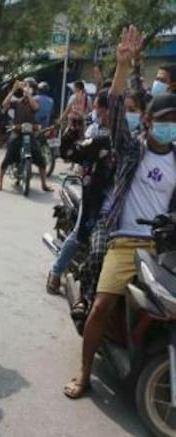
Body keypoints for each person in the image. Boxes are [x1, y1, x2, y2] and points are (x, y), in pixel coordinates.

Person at [65, 26, 176, 399]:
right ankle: (83, 372)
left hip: (163, 248)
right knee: (101, 304)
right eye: (165, 119)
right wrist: (122, 66)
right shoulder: (133, 151)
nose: (170, 126)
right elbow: (114, 110)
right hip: (126, 241)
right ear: (148, 122)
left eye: (175, 120)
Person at [71, 91, 148, 323]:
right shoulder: (128, 144)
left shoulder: (165, 151)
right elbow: (69, 152)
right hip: (109, 217)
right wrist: (73, 128)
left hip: (150, 229)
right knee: (96, 255)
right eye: (127, 110)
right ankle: (84, 296)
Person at [47, 90, 116, 295]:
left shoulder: (139, 142)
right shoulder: (100, 137)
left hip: (125, 208)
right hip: (95, 197)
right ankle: (56, 272)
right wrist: (73, 127)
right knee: (81, 233)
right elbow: (68, 152)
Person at [0, 78, 51, 192]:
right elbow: (4, 104)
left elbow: (36, 107)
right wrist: (13, 89)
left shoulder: (34, 102)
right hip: (17, 133)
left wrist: (28, 94)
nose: (27, 88)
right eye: (26, 86)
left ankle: (44, 184)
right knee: (8, 157)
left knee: (40, 160)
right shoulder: (17, 102)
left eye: (29, 87)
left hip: (29, 134)